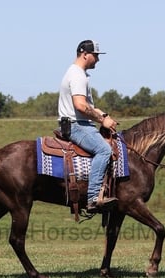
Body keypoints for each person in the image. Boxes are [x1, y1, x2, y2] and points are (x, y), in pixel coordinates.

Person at [58, 39, 118, 213]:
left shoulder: (79, 74)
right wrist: (101, 121)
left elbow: (89, 106)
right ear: (85, 54)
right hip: (76, 125)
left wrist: (104, 116)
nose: (98, 59)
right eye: (96, 55)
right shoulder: (77, 75)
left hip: (80, 123)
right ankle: (93, 198)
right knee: (104, 150)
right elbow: (80, 106)